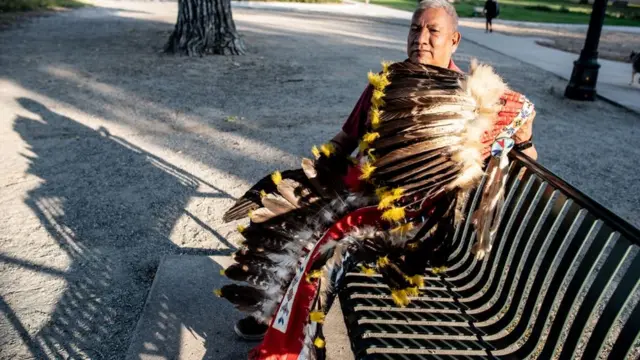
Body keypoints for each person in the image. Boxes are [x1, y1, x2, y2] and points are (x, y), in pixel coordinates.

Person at [233, 0, 536, 341]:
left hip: (413, 218)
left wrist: (523, 141)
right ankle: (273, 307)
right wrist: (312, 173)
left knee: (329, 238)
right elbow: (347, 137)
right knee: (299, 204)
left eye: (433, 30)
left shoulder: (470, 99)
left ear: (454, 40)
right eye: (415, 28)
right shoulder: (389, 80)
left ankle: (292, 324)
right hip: (360, 192)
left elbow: (521, 132)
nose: (421, 38)